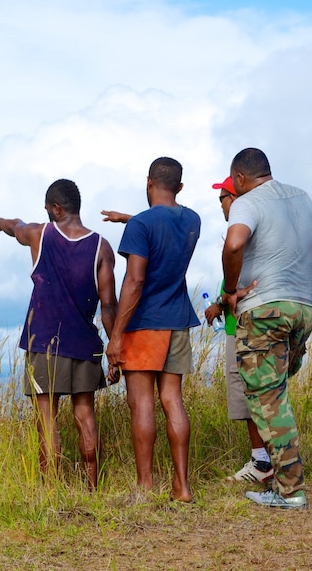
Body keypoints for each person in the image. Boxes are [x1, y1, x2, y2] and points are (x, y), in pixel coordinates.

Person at [221, 148, 312, 509]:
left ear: (240, 179)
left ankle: (290, 491)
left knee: (268, 400)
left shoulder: (248, 201)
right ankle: (285, 481)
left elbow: (234, 244)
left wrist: (231, 290)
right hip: (302, 309)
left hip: (265, 310)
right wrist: (305, 277)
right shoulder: (302, 197)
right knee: (275, 395)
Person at [0, 178, 118, 490]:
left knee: (47, 421)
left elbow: (15, 225)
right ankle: (91, 488)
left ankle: (51, 491)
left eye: (48, 209)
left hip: (43, 342)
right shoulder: (102, 247)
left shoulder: (40, 235)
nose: (46, 215)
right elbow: (109, 305)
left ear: (56, 208)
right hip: (86, 344)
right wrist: (114, 348)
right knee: (85, 415)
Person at [103, 157, 201, 503]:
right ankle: (182, 487)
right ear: (180, 187)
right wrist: (127, 220)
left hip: (145, 324)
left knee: (141, 403)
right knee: (172, 400)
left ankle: (145, 487)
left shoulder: (142, 226)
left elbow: (135, 280)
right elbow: (165, 230)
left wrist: (115, 336)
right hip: (178, 320)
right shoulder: (192, 220)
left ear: (148, 182)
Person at [204, 176, 273, 484]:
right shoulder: (252, 226)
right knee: (258, 393)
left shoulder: (244, 230)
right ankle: (266, 460)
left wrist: (223, 300)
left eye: (223, 198)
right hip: (245, 322)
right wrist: (220, 303)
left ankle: (262, 462)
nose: (221, 204)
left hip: (245, 327)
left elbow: (244, 286)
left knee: (249, 394)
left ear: (235, 197)